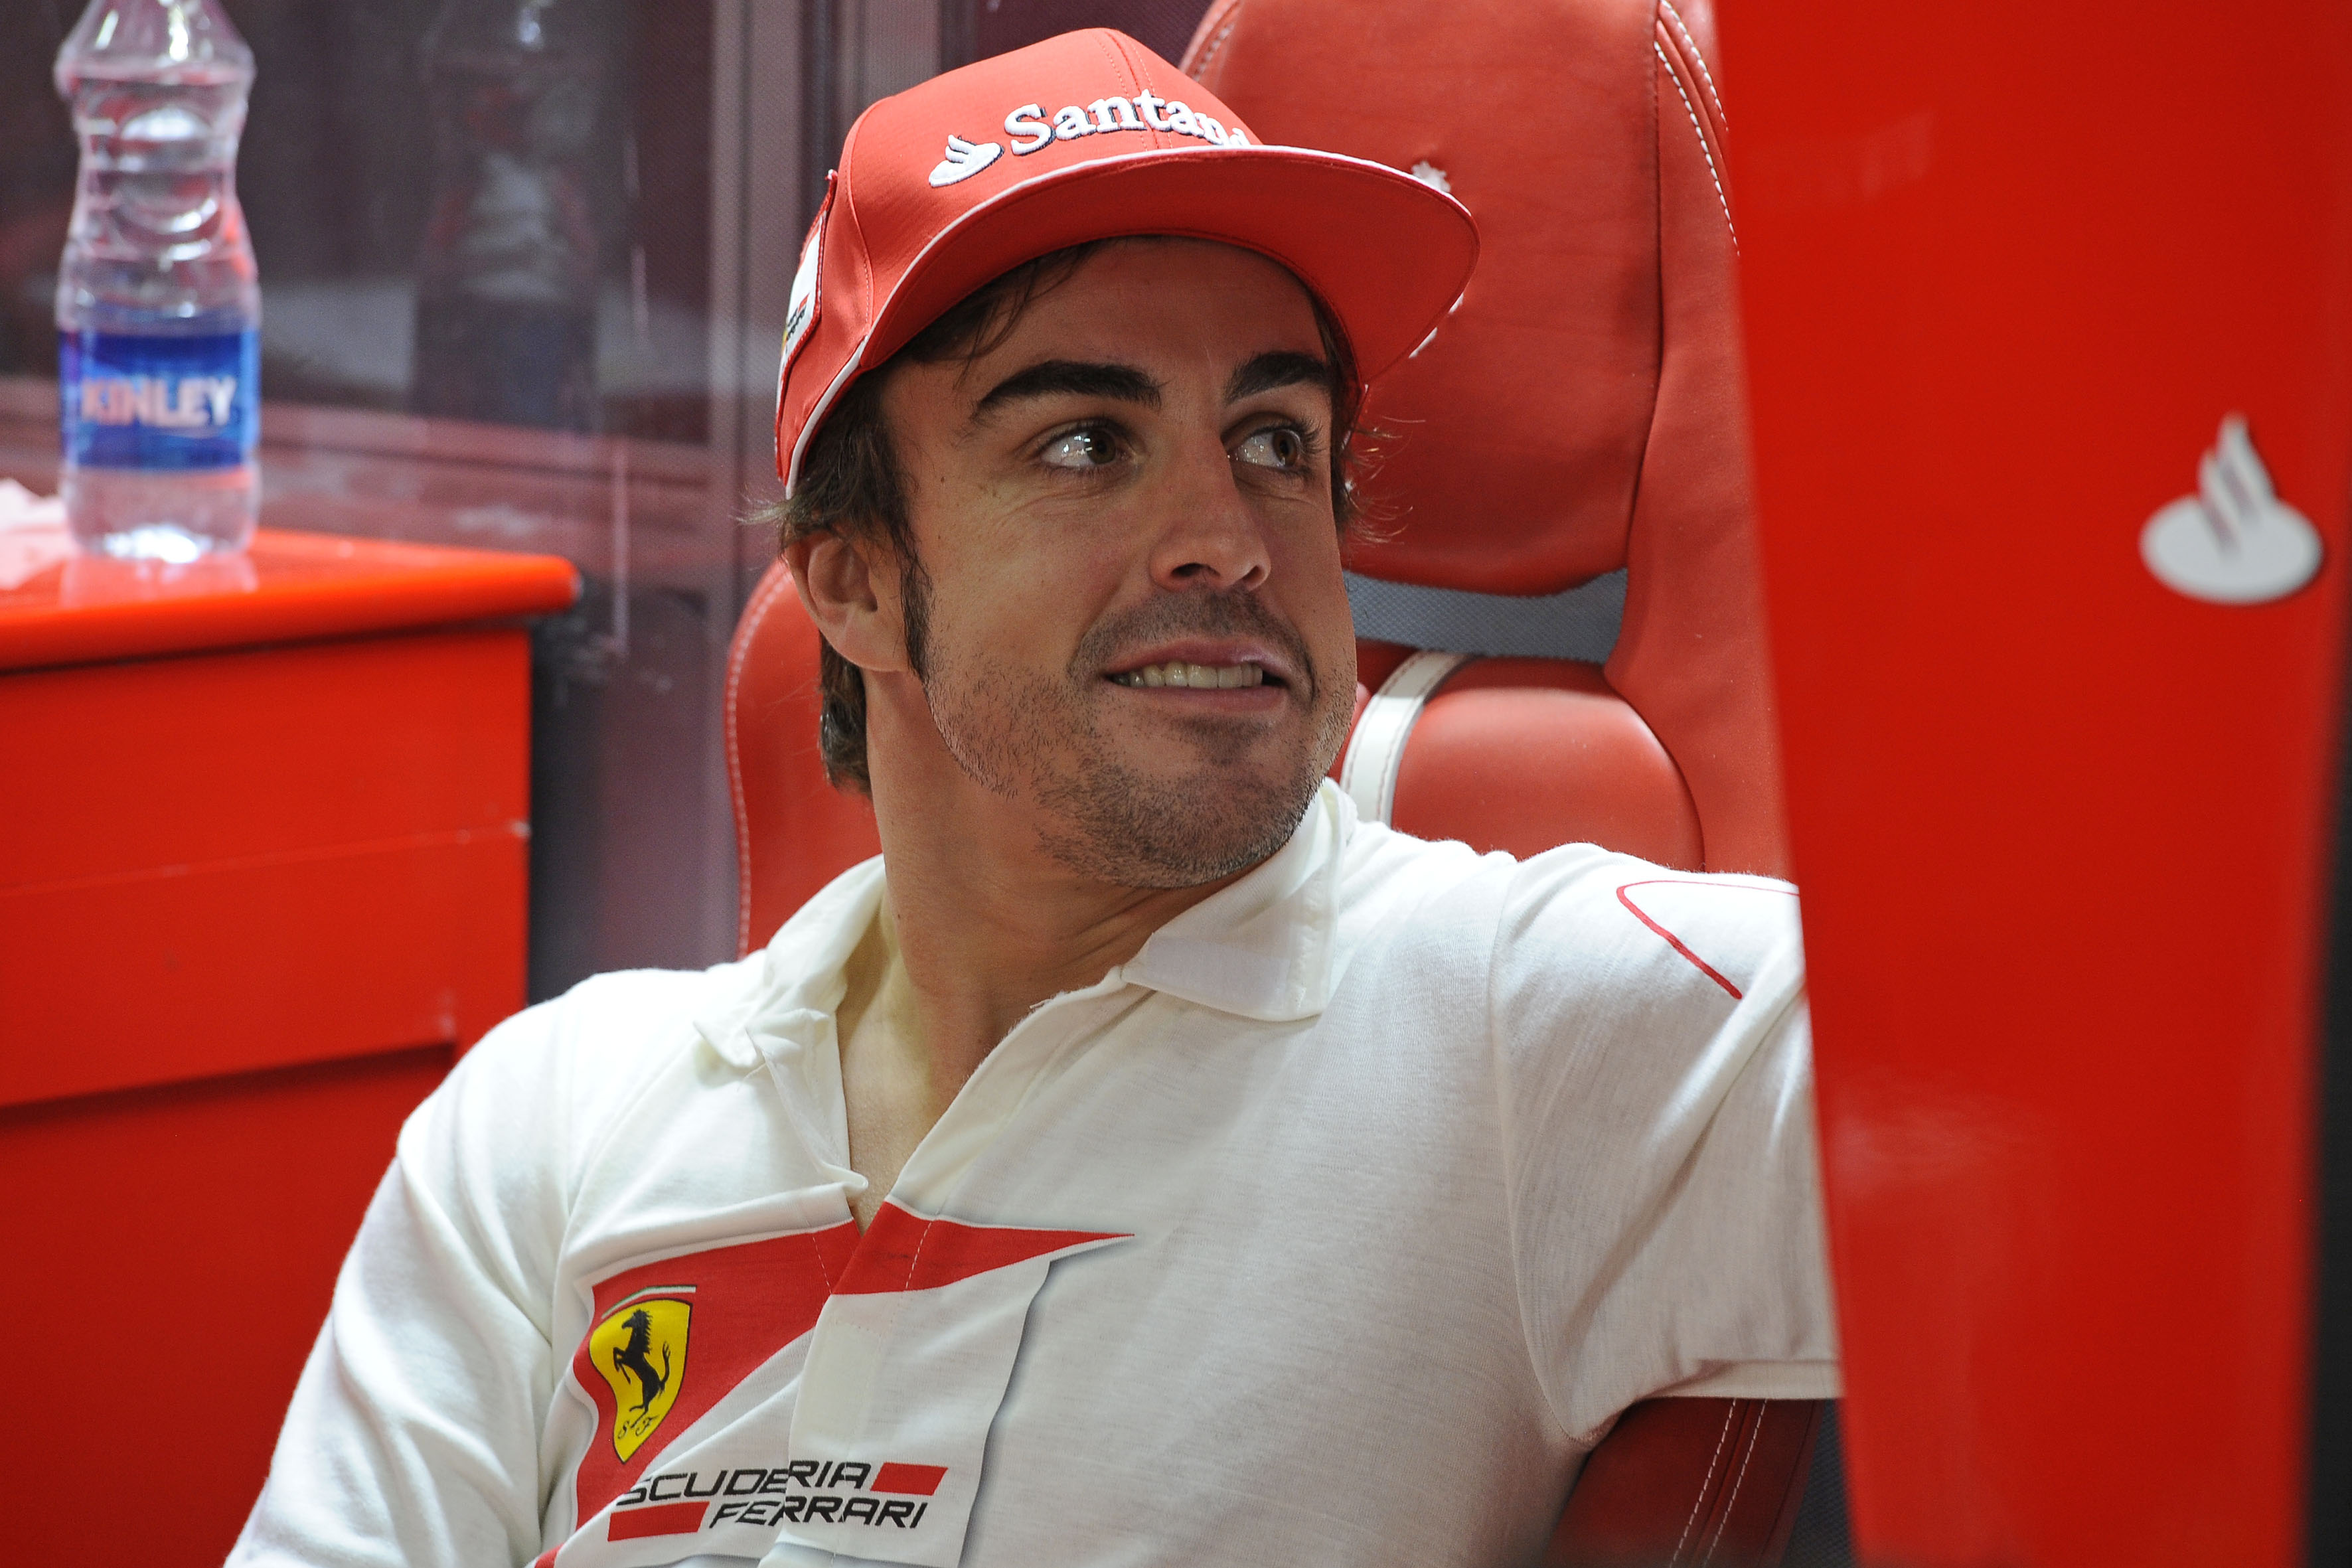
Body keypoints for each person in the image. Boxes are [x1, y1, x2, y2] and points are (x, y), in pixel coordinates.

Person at [229, 29, 1835, 1568]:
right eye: (1083, 443)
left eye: (1275, 439)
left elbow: (1989, 1080)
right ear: (854, 583)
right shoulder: (552, 1114)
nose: (1227, 536)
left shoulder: (1536, 1029)